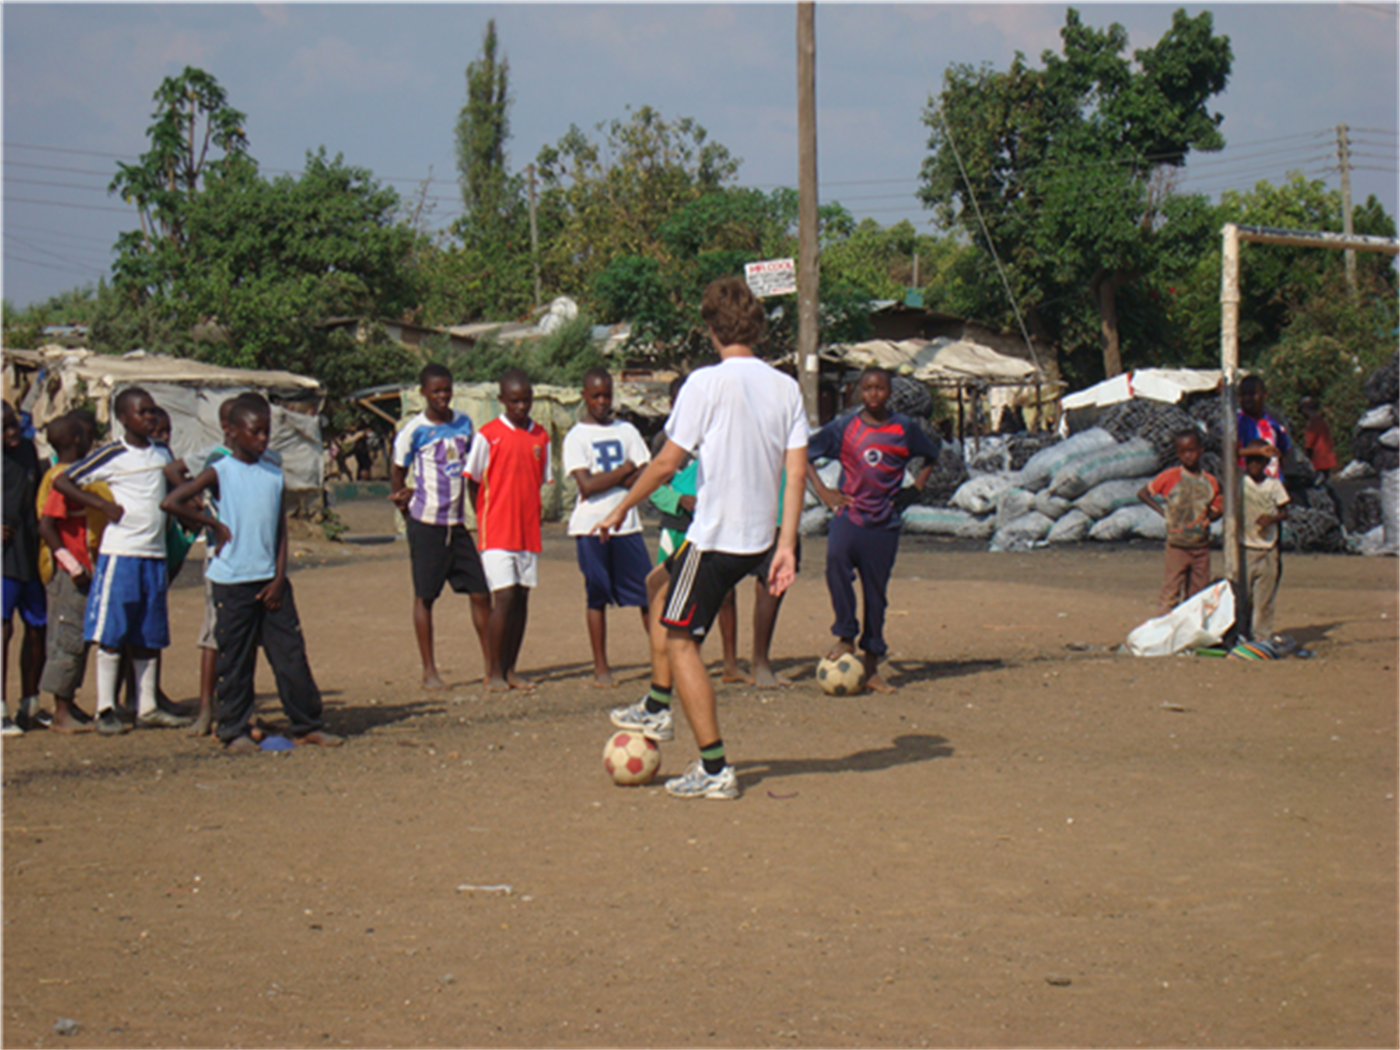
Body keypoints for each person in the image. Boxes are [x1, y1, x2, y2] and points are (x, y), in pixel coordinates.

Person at [597, 276, 808, 801]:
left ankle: (713, 768)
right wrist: (785, 545)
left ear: (711, 328)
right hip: (759, 536)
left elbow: (669, 460)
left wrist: (621, 505)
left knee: (680, 639)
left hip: (718, 536)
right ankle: (655, 706)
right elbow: (798, 472)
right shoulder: (785, 386)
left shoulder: (704, 384)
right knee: (656, 586)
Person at [162, 395, 339, 752]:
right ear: (232, 432)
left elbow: (279, 531)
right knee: (236, 660)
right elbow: (172, 501)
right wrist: (210, 521)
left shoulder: (273, 472)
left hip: (269, 581)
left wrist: (278, 577)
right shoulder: (220, 471)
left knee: (290, 656)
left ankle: (307, 723)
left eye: (266, 432)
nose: (262, 439)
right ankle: (233, 729)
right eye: (255, 432)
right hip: (232, 582)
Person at [53, 388, 183, 735]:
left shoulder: (161, 452)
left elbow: (174, 486)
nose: (150, 418)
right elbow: (63, 480)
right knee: (113, 631)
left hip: (153, 554)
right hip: (121, 553)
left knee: (148, 631)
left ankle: (147, 706)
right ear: (123, 418)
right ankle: (105, 708)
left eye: (153, 411)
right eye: (142, 412)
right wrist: (101, 506)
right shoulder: (111, 454)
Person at [806, 366, 941, 692]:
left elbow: (931, 455)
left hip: (884, 524)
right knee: (836, 563)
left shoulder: (904, 428)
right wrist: (824, 493)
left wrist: (915, 490)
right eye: (867, 389)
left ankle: (871, 665)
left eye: (880, 388)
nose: (874, 395)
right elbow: (804, 454)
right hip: (849, 516)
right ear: (858, 393)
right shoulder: (844, 427)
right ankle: (845, 635)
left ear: (889, 392)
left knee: (876, 594)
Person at [389, 363, 492, 690]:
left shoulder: (464, 423)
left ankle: (493, 666)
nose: (442, 396)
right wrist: (406, 510)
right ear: (423, 393)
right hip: (427, 524)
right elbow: (397, 472)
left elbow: (473, 466)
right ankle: (429, 670)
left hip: (456, 523)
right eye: (436, 391)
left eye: (447, 390)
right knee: (425, 596)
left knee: (479, 592)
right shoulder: (413, 430)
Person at [650, 378, 743, 683]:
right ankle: (677, 662)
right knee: (670, 594)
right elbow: (654, 487)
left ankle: (730, 662)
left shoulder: (719, 435)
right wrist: (678, 500)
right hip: (677, 529)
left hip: (714, 528)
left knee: (725, 594)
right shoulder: (664, 440)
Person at [463, 369, 551, 692]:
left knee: (522, 600)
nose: (521, 406)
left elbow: (539, 481)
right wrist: (485, 515)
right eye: (514, 401)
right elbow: (472, 481)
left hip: (528, 531)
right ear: (502, 400)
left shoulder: (541, 437)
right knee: (505, 596)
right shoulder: (487, 436)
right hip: (497, 531)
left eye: (526, 400)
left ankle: (513, 668)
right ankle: (494, 670)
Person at [563, 368, 651, 687]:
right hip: (591, 526)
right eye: (596, 395)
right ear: (584, 395)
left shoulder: (627, 431)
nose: (602, 402)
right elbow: (586, 485)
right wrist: (624, 471)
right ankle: (601, 667)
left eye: (607, 395)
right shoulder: (576, 437)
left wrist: (617, 476)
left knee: (646, 594)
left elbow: (646, 473)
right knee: (597, 596)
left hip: (627, 525)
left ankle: (662, 659)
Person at [35, 414, 98, 733]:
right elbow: (47, 526)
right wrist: (72, 567)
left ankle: (68, 701)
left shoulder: (77, 474)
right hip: (70, 571)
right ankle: (61, 710)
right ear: (76, 440)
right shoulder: (63, 477)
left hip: (82, 567)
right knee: (67, 637)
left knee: (78, 637)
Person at [1139, 429, 1223, 617]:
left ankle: (1190, 629)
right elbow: (1143, 493)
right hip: (1177, 546)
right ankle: (1163, 629)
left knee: (1197, 594)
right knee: (1171, 591)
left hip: (1201, 547)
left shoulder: (1210, 482)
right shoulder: (1171, 477)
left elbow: (1218, 507)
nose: (1188, 455)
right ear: (1178, 454)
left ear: (1201, 450)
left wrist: (1210, 516)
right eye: (1183, 452)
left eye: (1192, 450)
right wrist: (1164, 513)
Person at [3, 401, 47, 736]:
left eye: (14, 425)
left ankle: (30, 701)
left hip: (29, 550)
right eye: (4, 429)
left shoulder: (27, 450)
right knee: (3, 630)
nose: (12, 433)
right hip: (3, 557)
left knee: (38, 627)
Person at [1242, 441, 1290, 640]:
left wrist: (1271, 519)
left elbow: (1284, 511)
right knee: (1242, 598)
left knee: (1264, 598)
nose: (1254, 465)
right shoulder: (1240, 483)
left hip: (1268, 547)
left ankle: (1261, 636)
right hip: (1244, 547)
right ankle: (1241, 634)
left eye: (1258, 461)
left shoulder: (1273, 485)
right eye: (1250, 460)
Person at [1237, 375, 1290, 480]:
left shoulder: (1274, 423)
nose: (1247, 398)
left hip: (1273, 486)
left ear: (1264, 395)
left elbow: (1284, 450)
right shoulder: (1236, 424)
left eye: (1252, 394)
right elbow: (1227, 452)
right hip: (1247, 486)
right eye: (1243, 395)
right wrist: (1258, 452)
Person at [1299, 396, 1337, 479]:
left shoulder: (1312, 423)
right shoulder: (1321, 421)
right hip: (1327, 457)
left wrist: (1306, 457)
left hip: (1318, 459)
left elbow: (1309, 443)